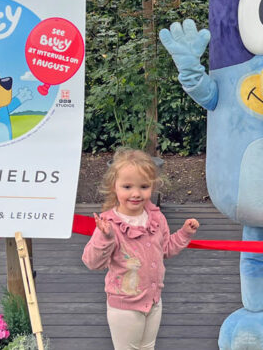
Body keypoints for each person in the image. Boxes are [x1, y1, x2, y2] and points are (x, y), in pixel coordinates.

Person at [82, 148, 200, 350]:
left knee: (148, 347)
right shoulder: (109, 224)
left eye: (144, 186)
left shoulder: (156, 218)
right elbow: (92, 262)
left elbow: (165, 250)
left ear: (152, 186)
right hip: (125, 307)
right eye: (127, 186)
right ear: (114, 186)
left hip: (154, 301)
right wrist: (105, 237)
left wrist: (184, 233)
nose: (136, 193)